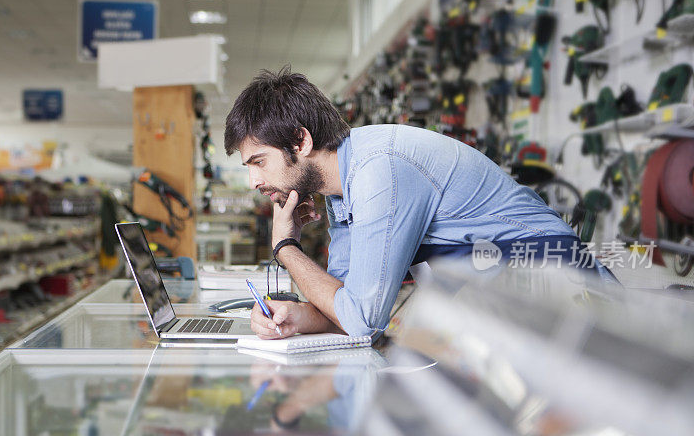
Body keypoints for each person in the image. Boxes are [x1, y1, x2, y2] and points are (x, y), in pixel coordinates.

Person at [224, 67, 615, 339]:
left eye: (259, 162)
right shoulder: (342, 181)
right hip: (503, 301)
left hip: (558, 289)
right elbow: (347, 299)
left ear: (301, 141)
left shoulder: (380, 172)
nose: (254, 181)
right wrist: (298, 318)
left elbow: (361, 320)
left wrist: (286, 248)